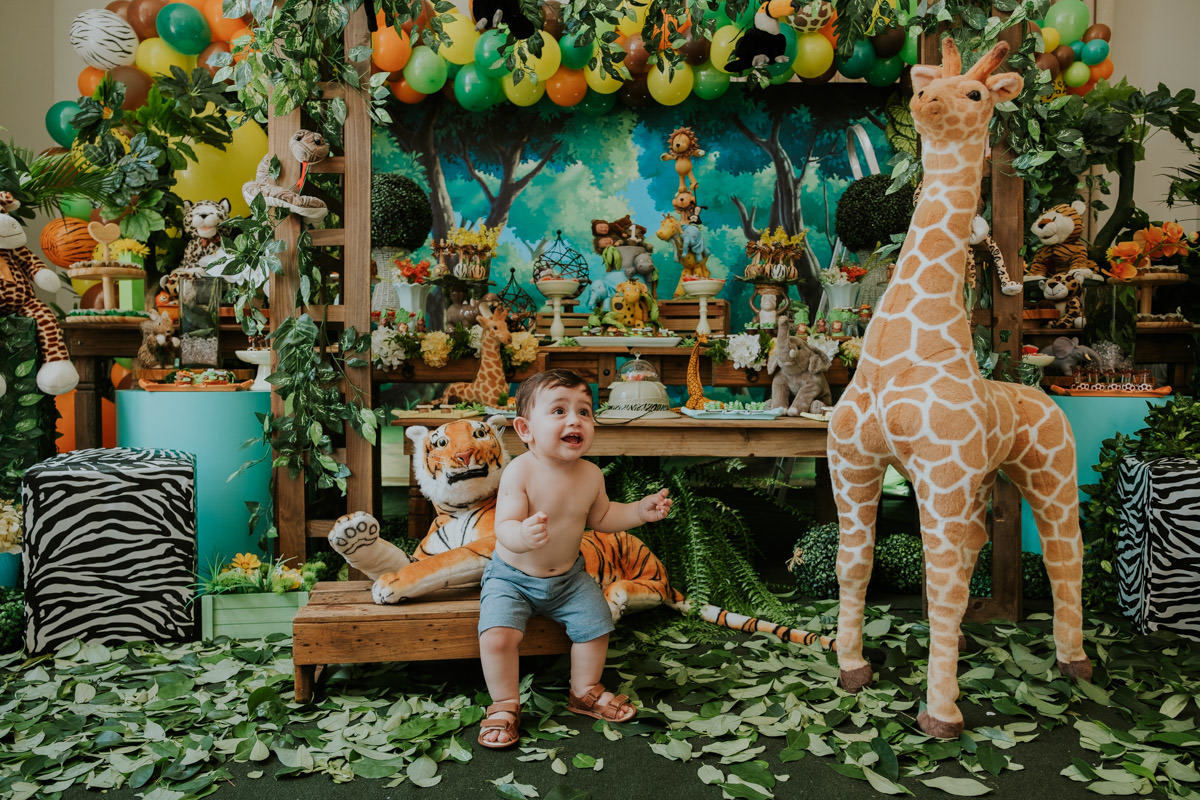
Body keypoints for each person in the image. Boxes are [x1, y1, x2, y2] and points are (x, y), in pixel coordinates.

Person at [476, 369, 672, 749]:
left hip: (568, 579)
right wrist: (522, 535)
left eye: (584, 411)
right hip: (511, 577)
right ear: (525, 429)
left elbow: (601, 518)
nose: (575, 420)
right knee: (498, 636)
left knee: (596, 626)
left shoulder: (590, 474)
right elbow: (504, 528)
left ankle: (584, 690)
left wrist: (638, 511)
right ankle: (504, 703)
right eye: (559, 410)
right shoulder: (520, 472)